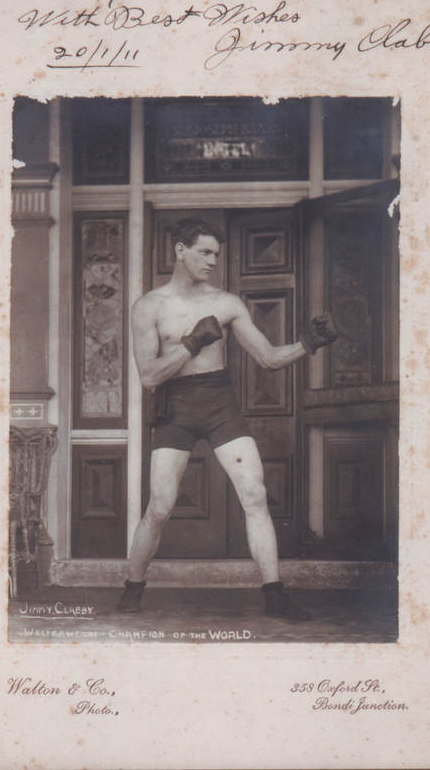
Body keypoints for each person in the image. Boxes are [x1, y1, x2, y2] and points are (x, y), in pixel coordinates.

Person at [117, 217, 338, 621]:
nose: (212, 261)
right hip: (175, 409)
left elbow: (269, 359)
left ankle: (274, 594)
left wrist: (309, 343)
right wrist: (191, 344)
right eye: (204, 252)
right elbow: (149, 377)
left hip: (220, 404)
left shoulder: (226, 303)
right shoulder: (149, 306)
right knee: (161, 507)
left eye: (216, 254)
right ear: (179, 251)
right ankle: (133, 586)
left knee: (254, 494)